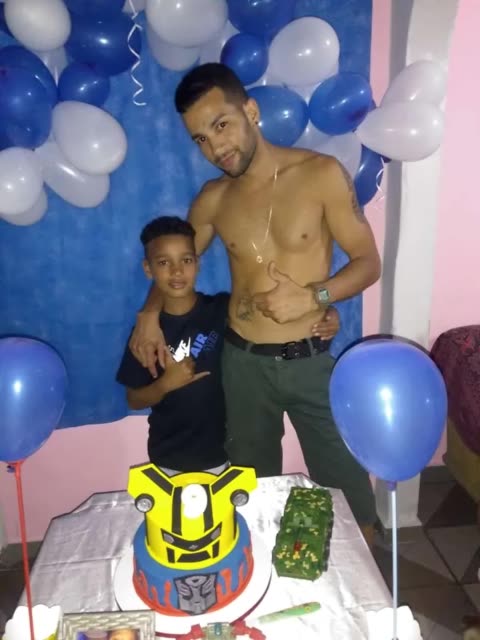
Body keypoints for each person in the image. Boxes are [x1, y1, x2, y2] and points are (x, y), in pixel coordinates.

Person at [129, 63, 381, 543]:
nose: (215, 147)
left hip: (310, 360)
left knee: (348, 489)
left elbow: (369, 263)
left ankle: (368, 575)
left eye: (221, 125)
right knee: (250, 492)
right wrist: (148, 313)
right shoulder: (213, 198)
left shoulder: (321, 174)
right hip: (242, 366)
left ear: (251, 110)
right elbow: (175, 262)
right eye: (201, 139)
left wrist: (315, 296)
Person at [116, 216, 340, 475]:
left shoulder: (223, 309)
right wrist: (166, 384)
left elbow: (274, 309)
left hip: (225, 455)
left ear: (198, 263)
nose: (177, 271)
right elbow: (133, 399)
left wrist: (327, 312)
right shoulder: (146, 337)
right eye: (164, 262)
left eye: (186, 260)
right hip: (166, 458)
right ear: (148, 268)